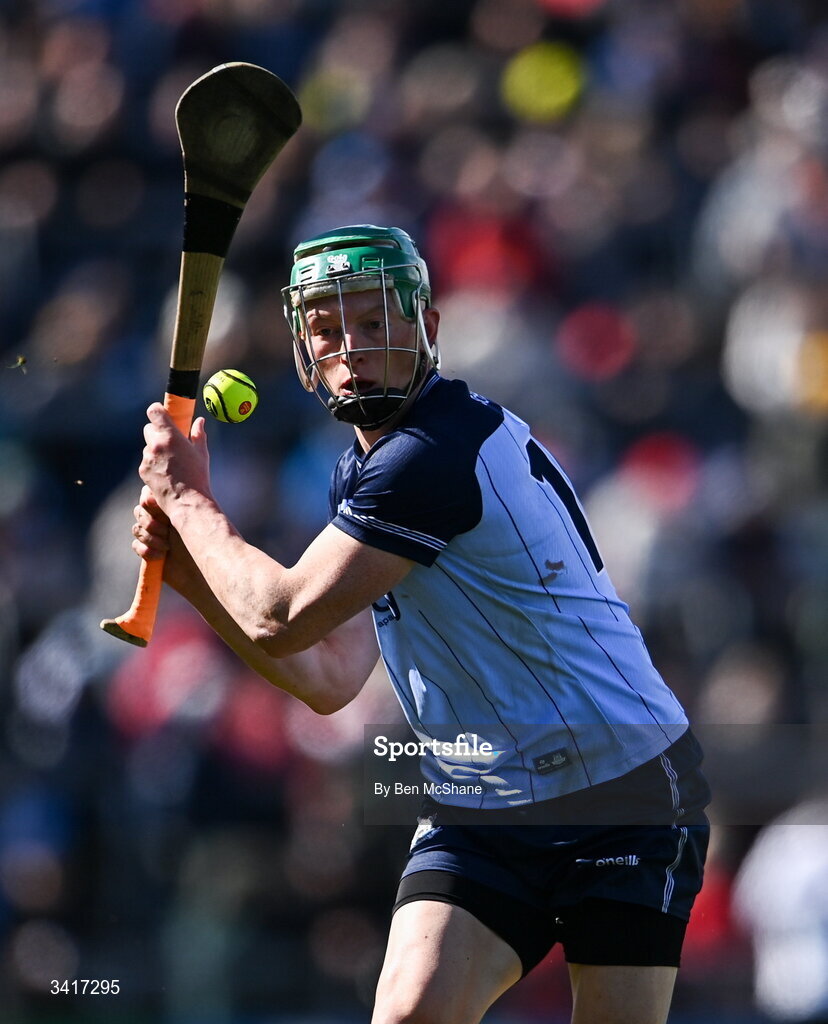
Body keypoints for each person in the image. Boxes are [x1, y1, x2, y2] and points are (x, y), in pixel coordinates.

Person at [132, 225, 711, 1024]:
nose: (352, 348)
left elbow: (283, 615)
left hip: (625, 789)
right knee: (410, 1016)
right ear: (303, 351)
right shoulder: (366, 472)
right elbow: (331, 678)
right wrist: (193, 578)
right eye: (329, 330)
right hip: (484, 800)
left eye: (374, 323)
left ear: (427, 328)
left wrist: (192, 502)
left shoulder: (432, 455)